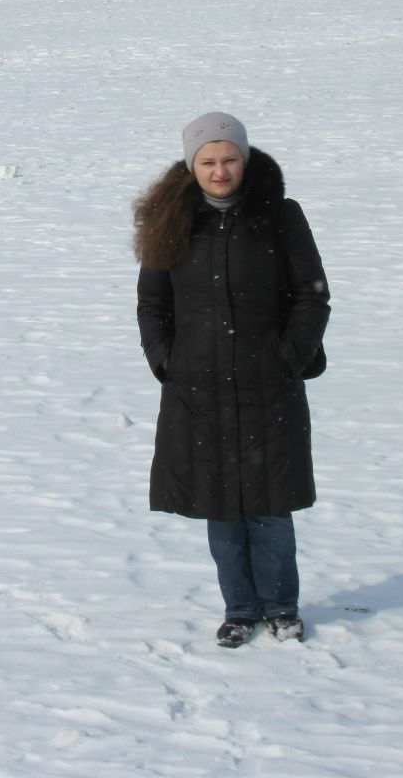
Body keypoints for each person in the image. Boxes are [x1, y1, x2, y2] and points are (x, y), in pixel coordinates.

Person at [133, 112, 330, 649]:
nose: (220, 171)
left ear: (244, 159)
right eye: (208, 162)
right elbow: (153, 303)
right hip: (198, 390)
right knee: (220, 508)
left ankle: (281, 607)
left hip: (269, 385)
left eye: (229, 159)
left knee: (269, 506)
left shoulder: (280, 217)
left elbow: (312, 295)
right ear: (191, 166)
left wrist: (287, 356)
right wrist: (167, 361)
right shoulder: (169, 219)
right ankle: (239, 609)